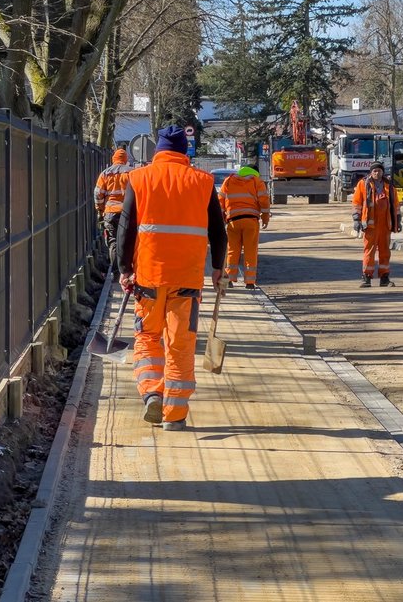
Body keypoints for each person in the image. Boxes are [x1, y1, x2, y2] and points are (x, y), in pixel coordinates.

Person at [116, 125, 227, 431]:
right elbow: (218, 231)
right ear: (184, 152)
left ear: (157, 151)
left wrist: (125, 269)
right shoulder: (203, 183)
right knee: (180, 344)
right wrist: (218, 268)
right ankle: (175, 415)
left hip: (149, 278)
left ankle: (152, 391)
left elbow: (125, 229)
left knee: (148, 337)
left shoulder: (139, 179)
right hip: (188, 282)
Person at [219, 164, 271, 289]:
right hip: (250, 221)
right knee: (250, 250)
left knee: (232, 250)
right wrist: (265, 217)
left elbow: (220, 200)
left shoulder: (229, 180)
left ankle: (230, 279)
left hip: (232, 221)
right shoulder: (257, 182)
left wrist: (221, 218)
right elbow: (264, 201)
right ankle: (249, 282)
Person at [351, 161, 401, 287]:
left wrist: (398, 220)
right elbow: (357, 203)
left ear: (382, 172)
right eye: (374, 171)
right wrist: (356, 220)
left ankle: (384, 277)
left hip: (385, 225)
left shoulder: (389, 186)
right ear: (371, 172)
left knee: (385, 252)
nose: (377, 173)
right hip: (370, 226)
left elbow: (395, 205)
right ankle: (366, 277)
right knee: (369, 251)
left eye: (379, 171)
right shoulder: (363, 184)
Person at [93, 148, 133, 273]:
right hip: (128, 213)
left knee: (113, 241)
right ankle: (127, 270)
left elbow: (98, 194)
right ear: (126, 159)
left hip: (110, 212)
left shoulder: (105, 174)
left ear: (113, 159)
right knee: (128, 241)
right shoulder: (132, 173)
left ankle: (115, 272)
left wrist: (100, 210)